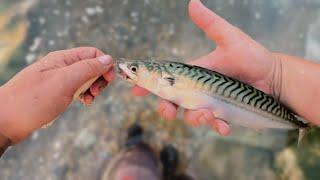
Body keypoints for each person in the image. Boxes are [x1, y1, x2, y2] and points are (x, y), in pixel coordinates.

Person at [0, 0, 319, 178]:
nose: (131, 72)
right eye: (133, 71)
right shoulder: (164, 83)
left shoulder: (168, 81)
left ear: (163, 79)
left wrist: (7, 123)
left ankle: (141, 162)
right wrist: (276, 76)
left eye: (137, 71)